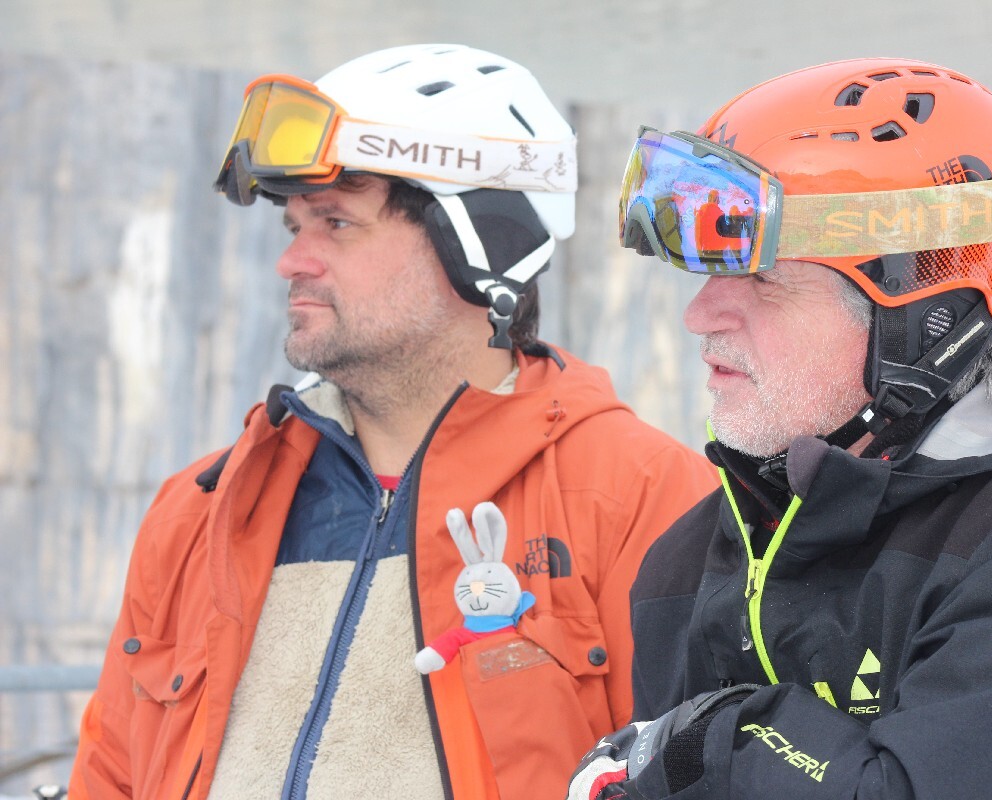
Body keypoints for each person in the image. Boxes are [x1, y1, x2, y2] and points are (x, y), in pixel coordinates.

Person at [68, 44, 716, 800]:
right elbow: (109, 776)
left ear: (482, 243)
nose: (293, 261)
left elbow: (695, 771)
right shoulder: (201, 511)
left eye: (337, 223)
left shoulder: (642, 497)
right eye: (295, 227)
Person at [567, 57, 992, 799]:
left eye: (764, 277)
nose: (698, 315)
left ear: (919, 311)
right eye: (708, 275)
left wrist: (718, 738)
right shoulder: (689, 561)